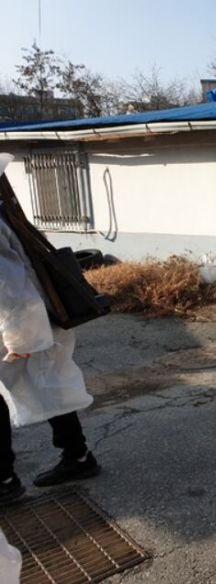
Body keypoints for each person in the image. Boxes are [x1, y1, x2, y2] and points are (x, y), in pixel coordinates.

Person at [0, 155, 100, 506]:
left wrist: (19, 340)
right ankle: (78, 457)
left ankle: (5, 479)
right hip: (35, 319)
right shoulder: (4, 212)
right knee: (51, 387)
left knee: (46, 386)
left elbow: (9, 287)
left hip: (24, 323)